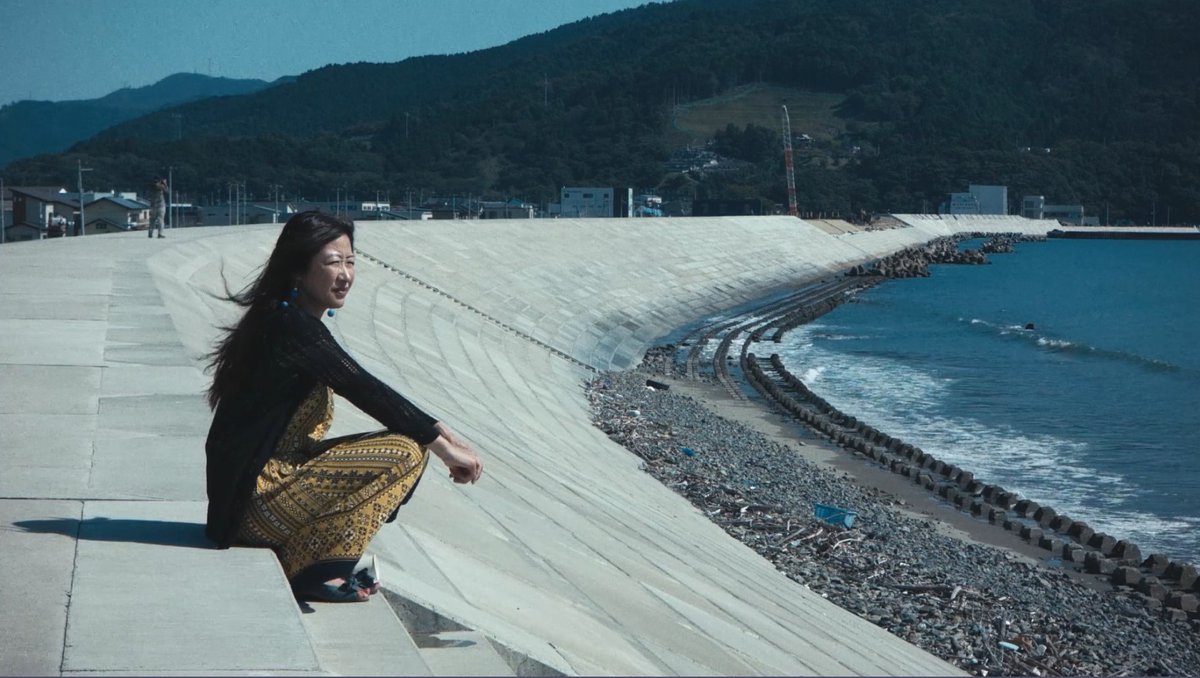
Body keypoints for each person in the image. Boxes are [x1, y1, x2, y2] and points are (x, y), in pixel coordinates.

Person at [204, 210, 482, 603]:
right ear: (298, 270)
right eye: (333, 263)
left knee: (411, 442)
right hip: (255, 504)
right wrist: (444, 448)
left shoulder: (282, 319)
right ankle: (308, 567)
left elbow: (366, 386)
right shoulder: (292, 328)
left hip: (255, 496)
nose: (346, 275)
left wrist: (445, 433)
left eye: (351, 262)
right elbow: (362, 386)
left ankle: (316, 552)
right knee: (406, 452)